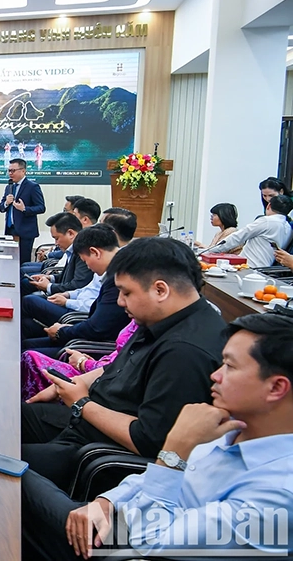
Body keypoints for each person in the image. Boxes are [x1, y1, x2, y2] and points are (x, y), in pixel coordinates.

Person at [23, 312, 293, 560]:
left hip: (136, 546)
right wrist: (108, 501)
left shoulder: (279, 496)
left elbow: (151, 542)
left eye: (230, 367)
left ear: (276, 388)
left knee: (12, 476)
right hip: (126, 519)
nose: (215, 375)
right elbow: (151, 480)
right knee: (10, 470)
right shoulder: (230, 426)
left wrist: (174, 452)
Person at [21, 236, 226, 490]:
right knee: (8, 418)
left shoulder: (185, 352)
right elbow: (116, 366)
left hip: (97, 453)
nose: (120, 301)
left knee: (0, 461)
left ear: (160, 290)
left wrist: (82, 403)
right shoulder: (161, 317)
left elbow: (148, 440)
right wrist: (73, 384)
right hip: (88, 422)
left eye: (126, 292)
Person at [22, 225, 129, 351]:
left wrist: (62, 331)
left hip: (91, 346)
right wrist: (68, 295)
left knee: (27, 350)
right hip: (83, 329)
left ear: (95, 252)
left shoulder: (117, 280)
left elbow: (97, 327)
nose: (88, 267)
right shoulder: (109, 269)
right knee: (26, 331)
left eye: (85, 261)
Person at [22, 321, 138, 402]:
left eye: (126, 294)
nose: (121, 301)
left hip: (101, 389)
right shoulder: (138, 322)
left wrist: (83, 363)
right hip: (98, 369)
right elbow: (117, 357)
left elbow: (97, 328)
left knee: (30, 357)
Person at [202, 194, 293, 268]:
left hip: (249, 266)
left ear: (268, 205)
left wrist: (207, 252)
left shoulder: (266, 221)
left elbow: (238, 237)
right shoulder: (289, 228)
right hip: (265, 269)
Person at [21, 212, 93, 297]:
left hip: (69, 300)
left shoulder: (83, 252)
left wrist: (48, 286)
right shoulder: (72, 249)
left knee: (29, 299)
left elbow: (77, 286)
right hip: (63, 293)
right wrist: (50, 278)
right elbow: (67, 276)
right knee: (26, 283)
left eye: (57, 238)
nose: (56, 243)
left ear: (70, 233)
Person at [0, 159, 46, 264]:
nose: (10, 173)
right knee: (8, 261)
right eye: (9, 170)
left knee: (22, 263)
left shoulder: (32, 187)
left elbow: (41, 207)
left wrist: (24, 209)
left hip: (25, 232)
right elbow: (1, 208)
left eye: (13, 171)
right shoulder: (9, 187)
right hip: (10, 230)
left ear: (23, 171)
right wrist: (6, 203)